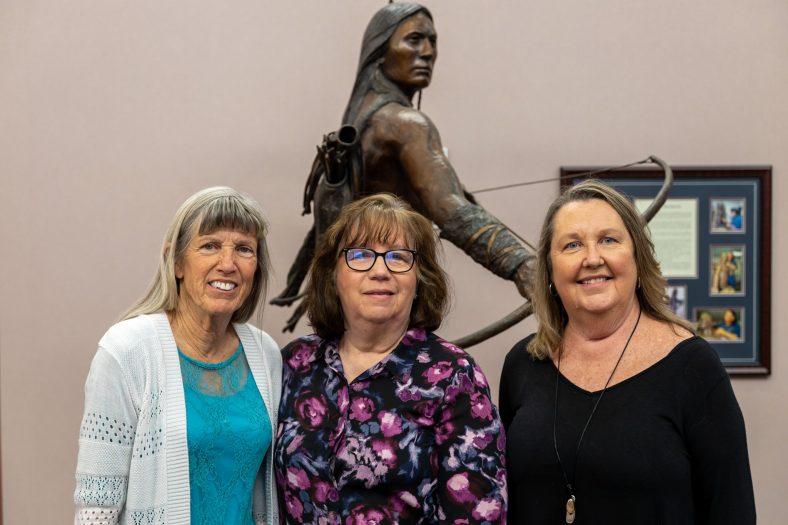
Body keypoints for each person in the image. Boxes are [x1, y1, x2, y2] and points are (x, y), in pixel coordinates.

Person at [499, 180, 755, 524]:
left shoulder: (693, 367)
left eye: (609, 239)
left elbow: (732, 511)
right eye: (572, 245)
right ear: (549, 270)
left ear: (637, 259)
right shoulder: (524, 365)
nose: (592, 258)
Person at [272, 3, 533, 326]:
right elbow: (453, 212)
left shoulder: (366, 119)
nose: (427, 52)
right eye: (414, 40)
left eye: (432, 41)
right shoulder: (405, 124)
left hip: (356, 309)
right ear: (380, 50)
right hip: (384, 304)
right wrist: (524, 266)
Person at [275, 193, 506, 524]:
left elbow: (479, 514)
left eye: (398, 257)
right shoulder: (296, 364)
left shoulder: (454, 376)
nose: (380, 270)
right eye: (360, 255)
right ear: (333, 275)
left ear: (419, 278)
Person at [75, 187, 281, 525]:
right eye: (210, 245)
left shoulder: (265, 353)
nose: (227, 264)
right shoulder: (127, 350)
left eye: (244, 249)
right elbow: (98, 503)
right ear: (178, 261)